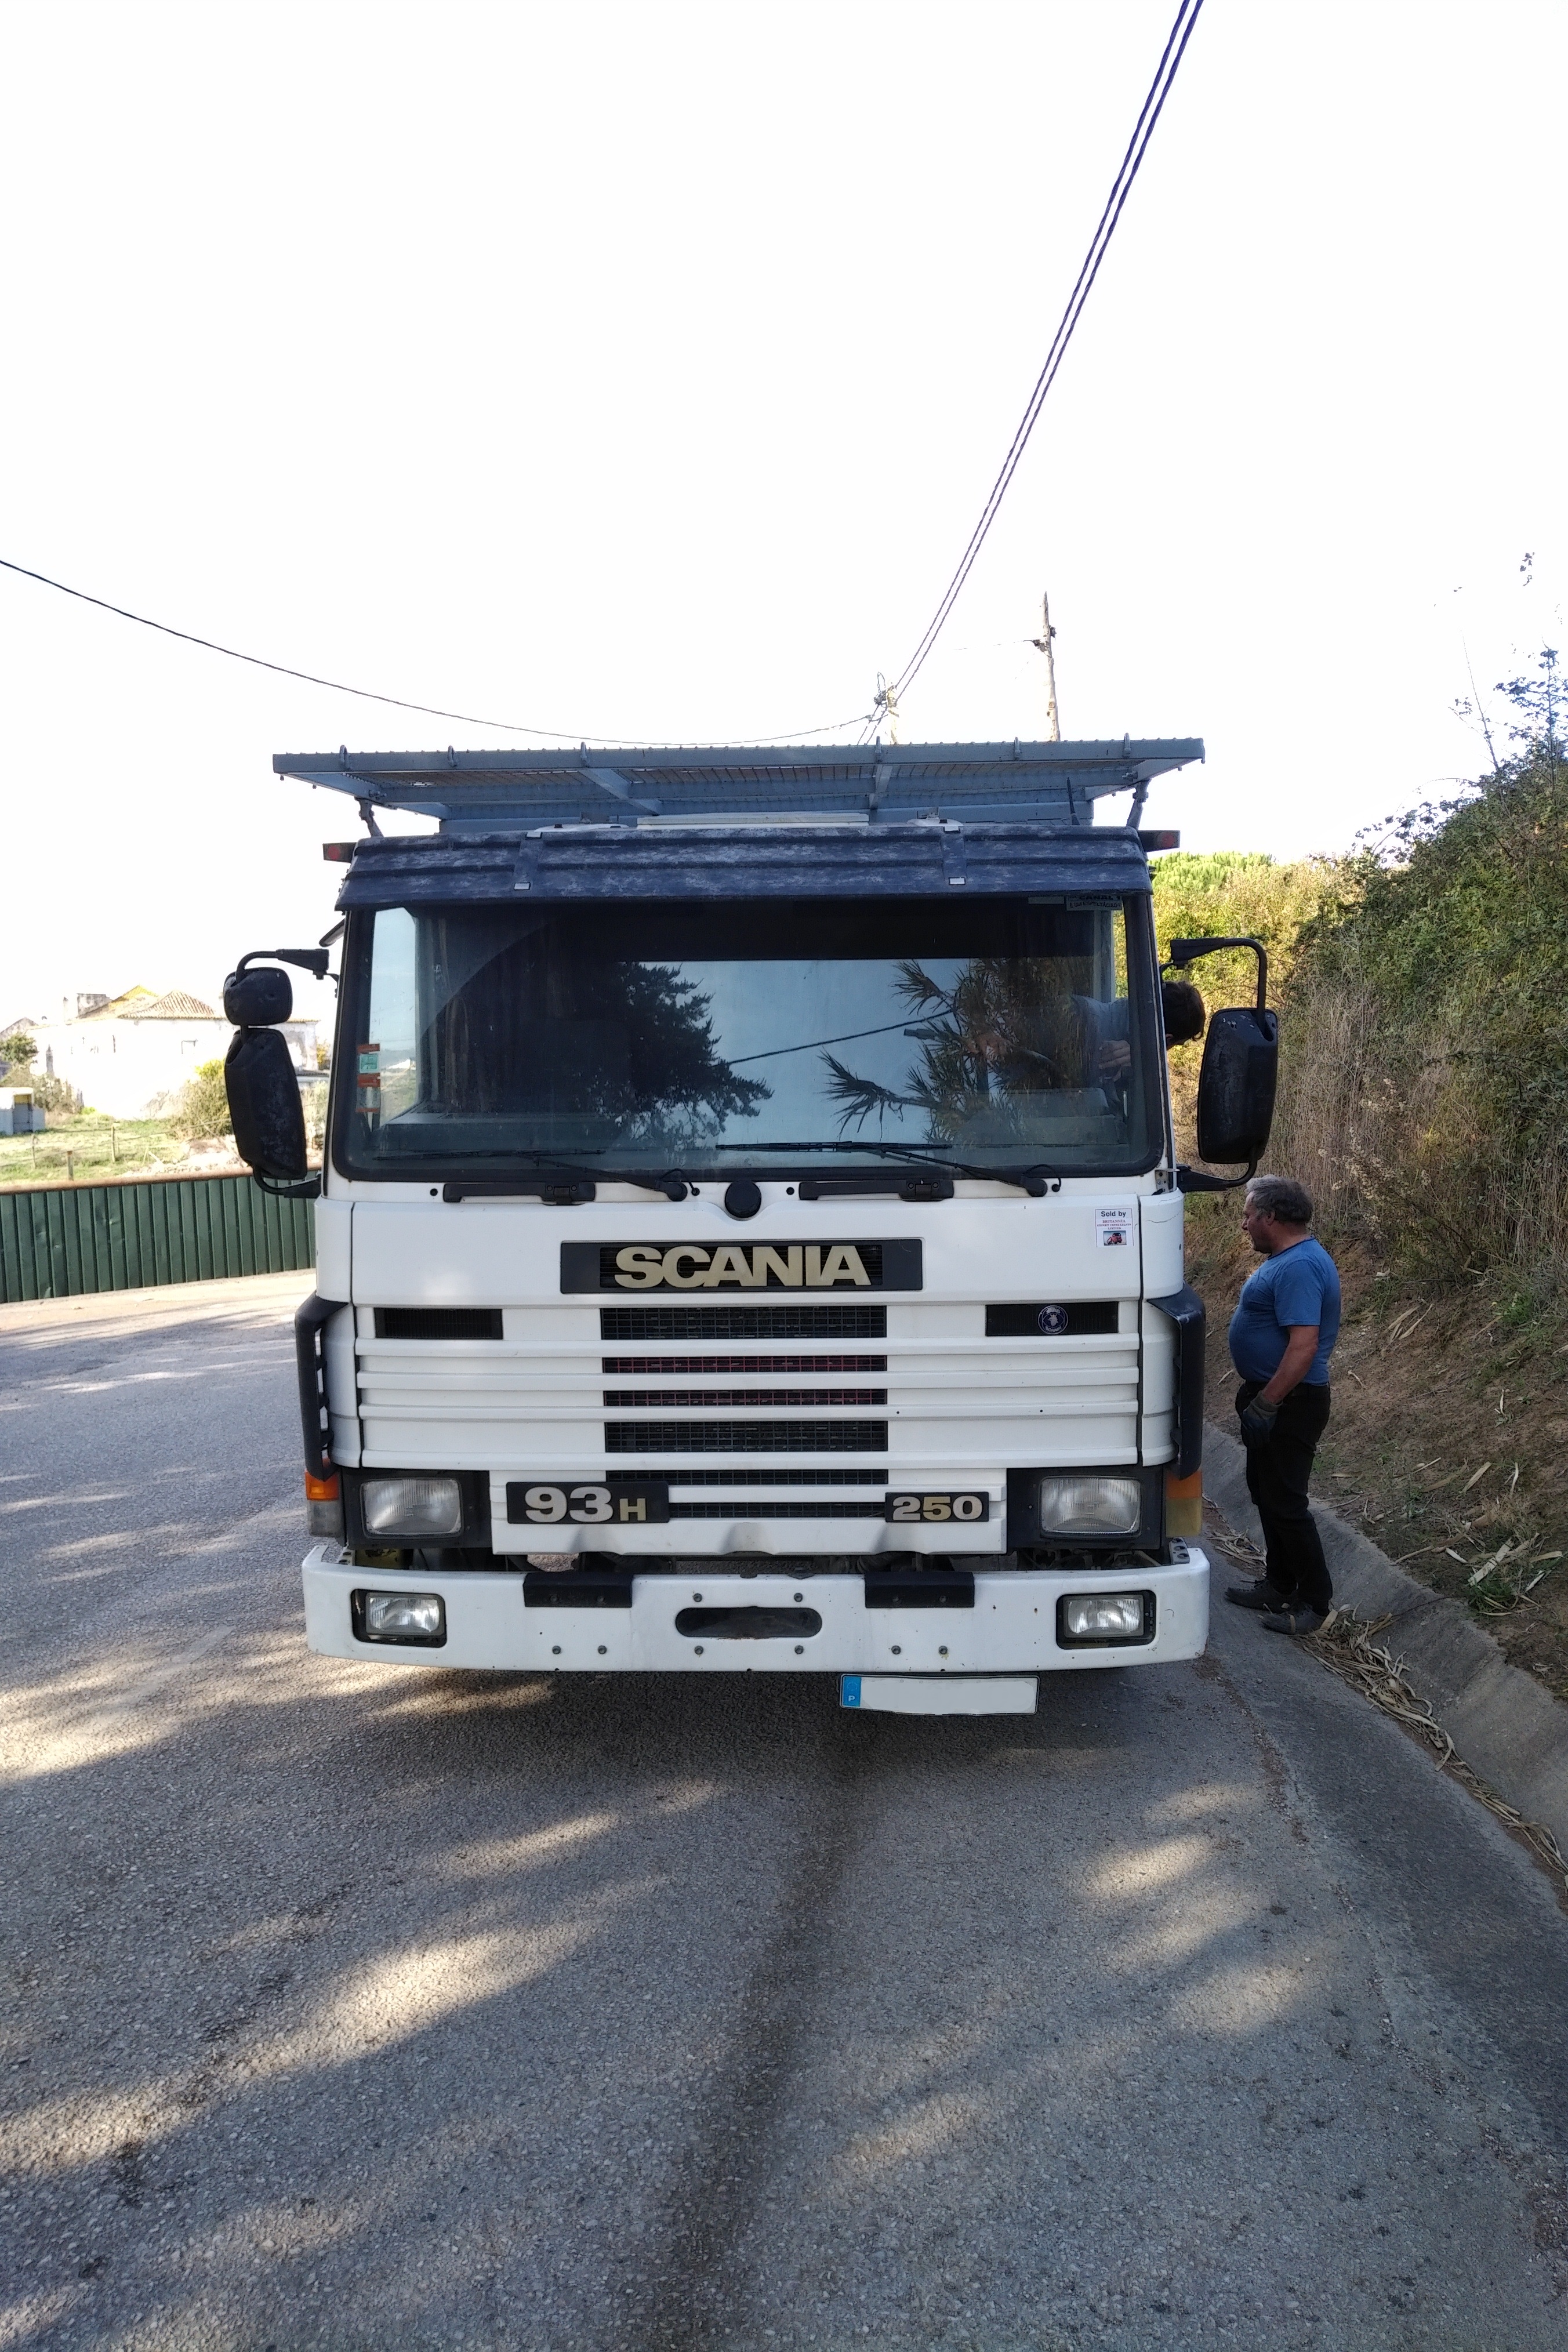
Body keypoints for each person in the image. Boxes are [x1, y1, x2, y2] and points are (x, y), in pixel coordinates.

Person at [1224, 1174, 1341, 1635]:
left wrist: (1268, 1404)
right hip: (1272, 1395)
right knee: (1266, 1494)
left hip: (1292, 1401)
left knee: (1287, 1502)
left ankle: (1316, 1604)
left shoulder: (1299, 1267)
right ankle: (1279, 1584)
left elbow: (1304, 1346)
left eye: (1250, 1215)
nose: (1245, 1224)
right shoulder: (1287, 1259)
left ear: (1271, 1216)